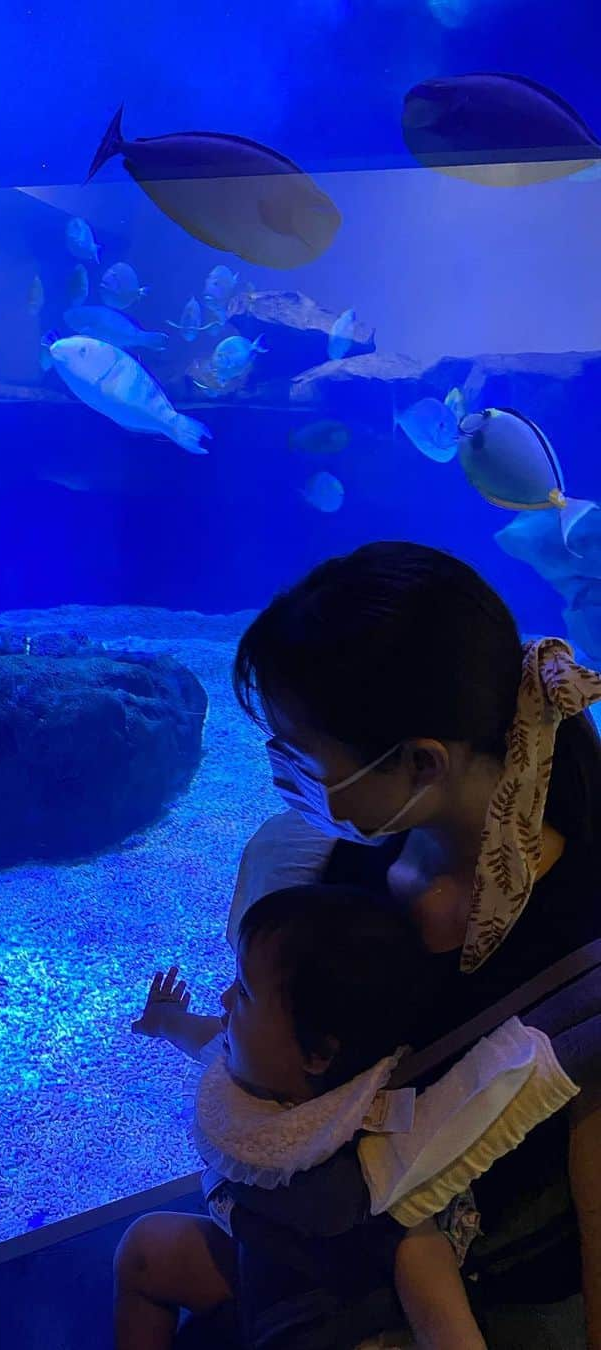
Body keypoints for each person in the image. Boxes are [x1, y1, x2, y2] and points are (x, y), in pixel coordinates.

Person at [116, 541, 601, 1348]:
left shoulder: (575, 933)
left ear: (420, 762)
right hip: (318, 1247)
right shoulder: (350, 845)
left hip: (467, 1282)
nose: (285, 774)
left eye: (301, 753)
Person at [117, 884, 589, 1350]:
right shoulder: (255, 1072)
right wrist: (163, 1019)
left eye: (243, 991)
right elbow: (207, 1035)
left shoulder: (368, 1145)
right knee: (144, 1250)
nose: (224, 1001)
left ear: (318, 1055)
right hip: (260, 1266)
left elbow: (419, 1251)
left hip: (346, 1315)